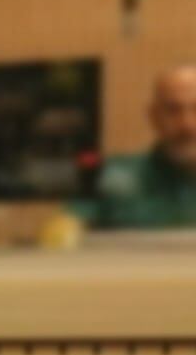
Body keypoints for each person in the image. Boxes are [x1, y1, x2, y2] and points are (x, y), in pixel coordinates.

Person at [80, 63, 196, 230]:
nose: (187, 124)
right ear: (153, 116)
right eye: (173, 110)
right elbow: (62, 237)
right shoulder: (106, 175)